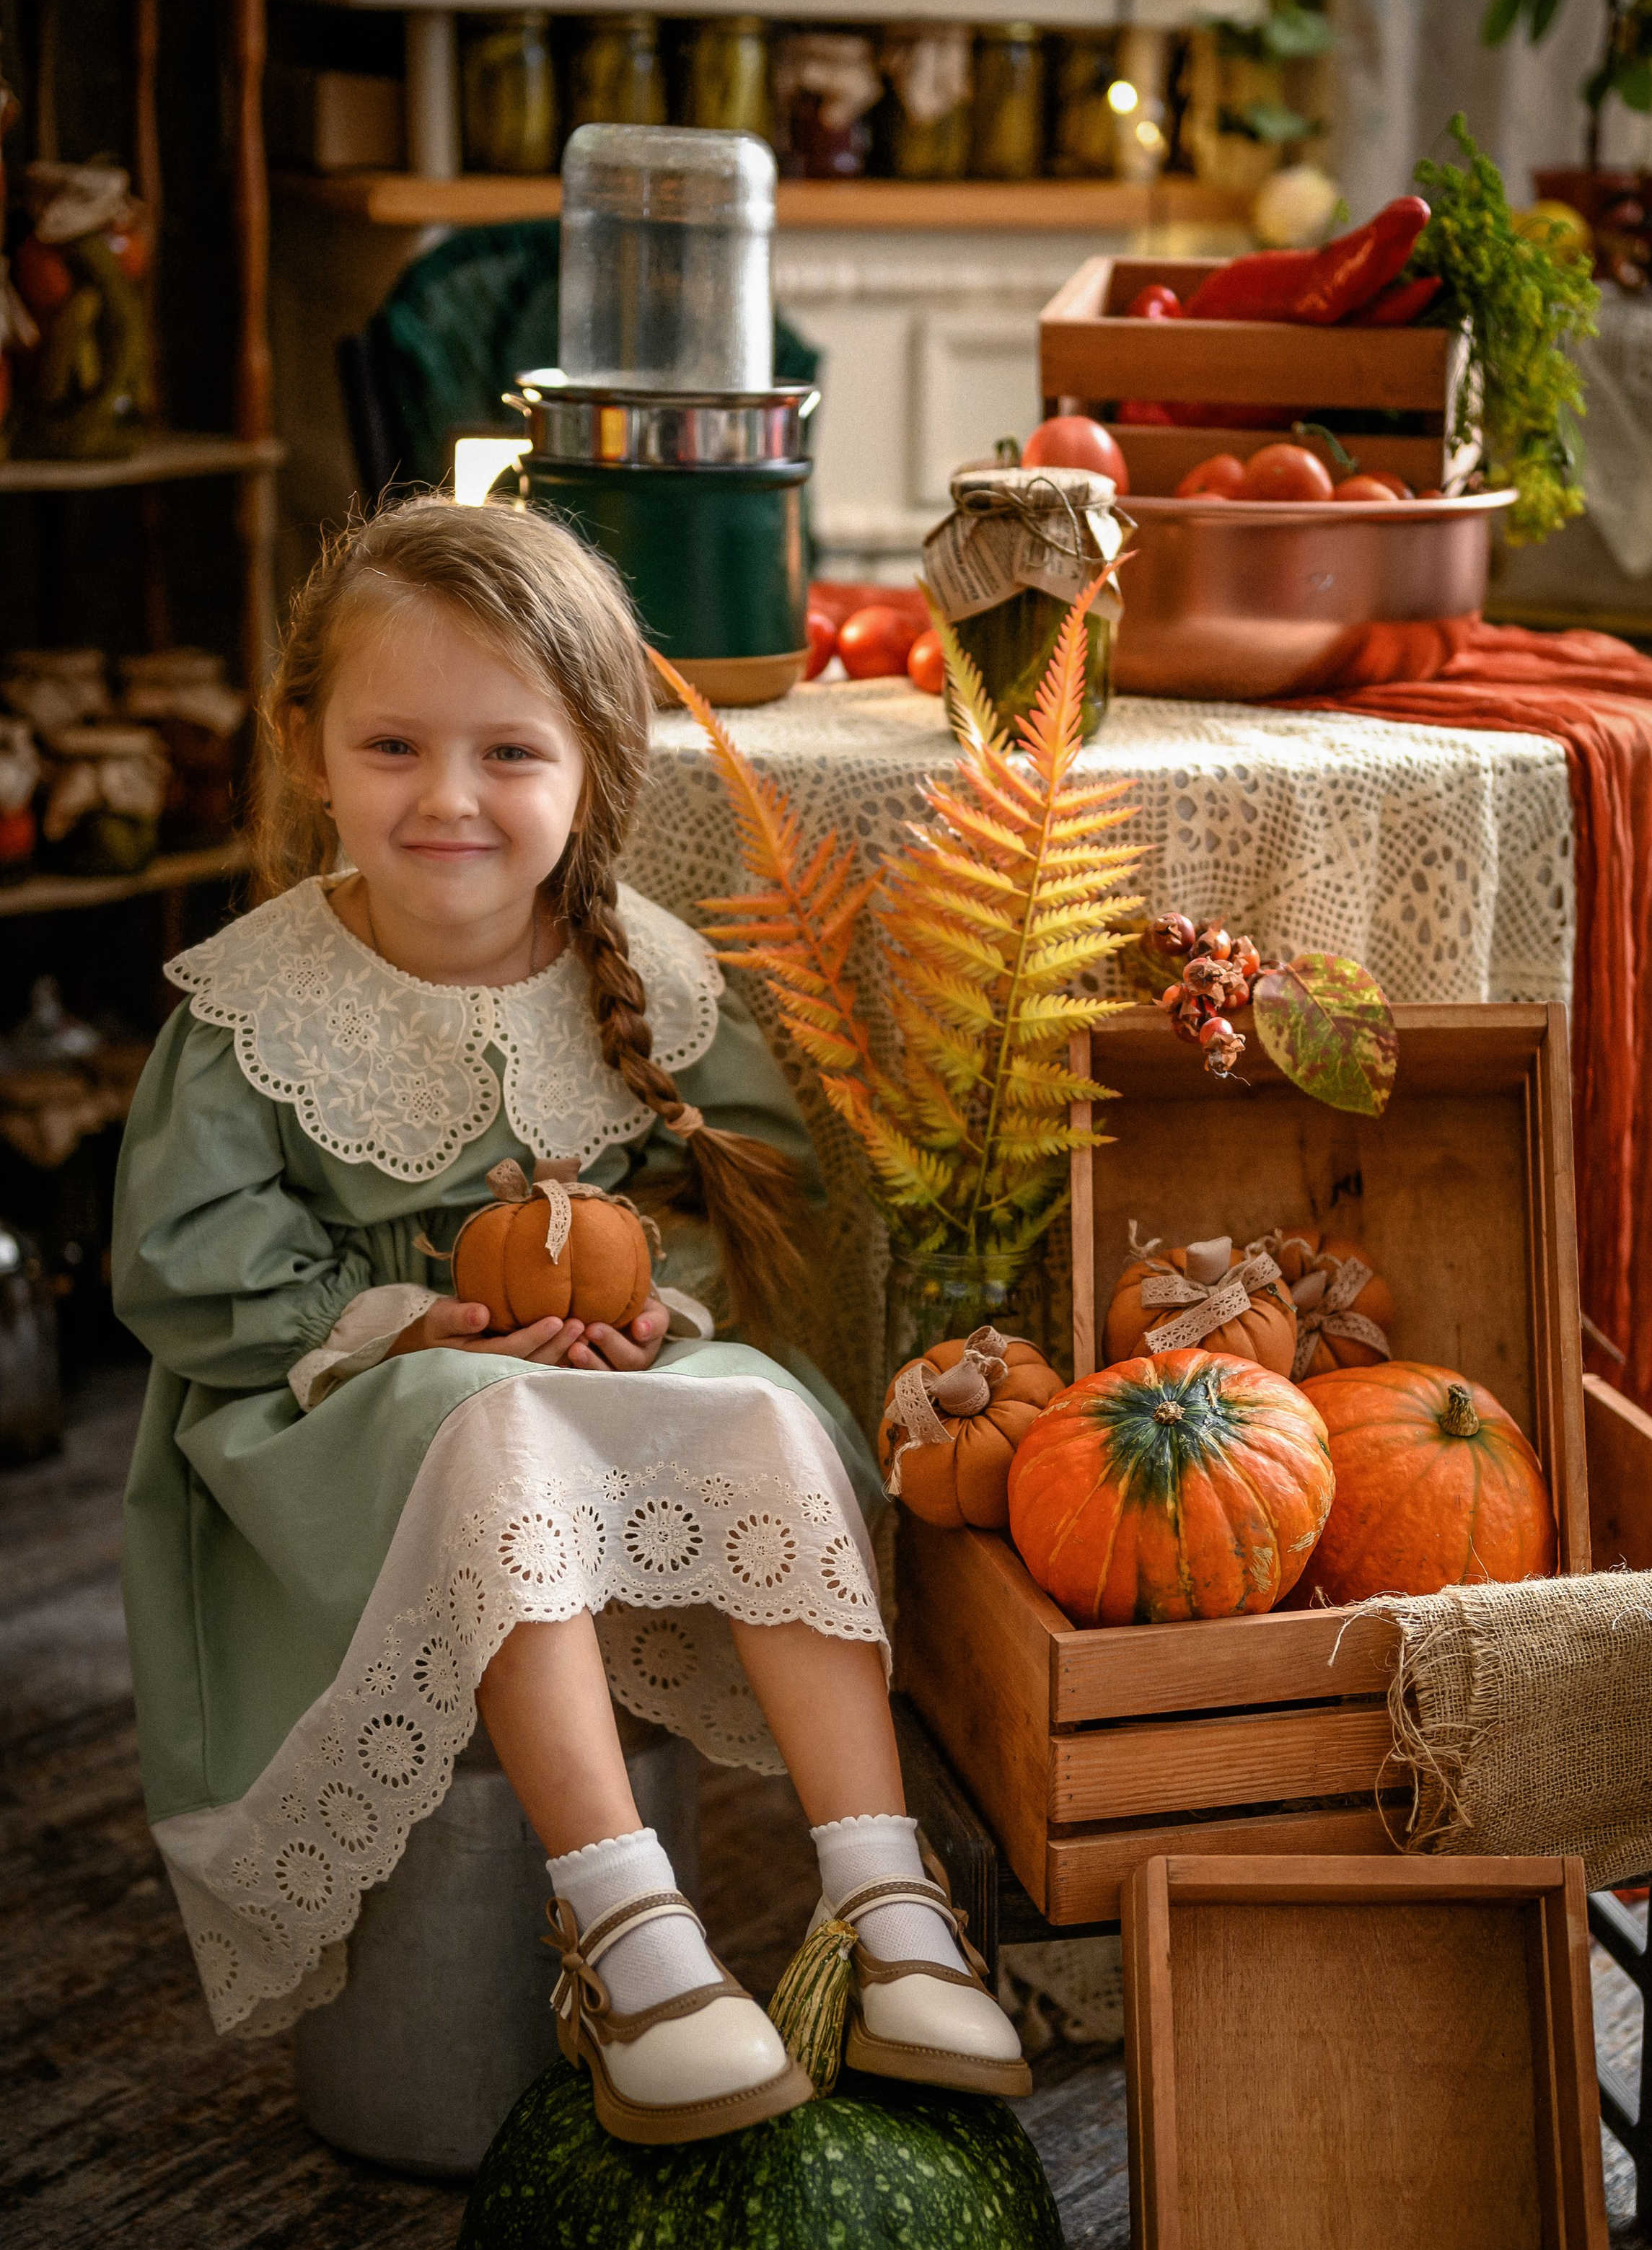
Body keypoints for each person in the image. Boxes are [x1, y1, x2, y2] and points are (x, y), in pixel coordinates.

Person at [113, 494, 1024, 2141]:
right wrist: (409, 1321)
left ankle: (885, 1902)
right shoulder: (257, 999)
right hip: (327, 1417)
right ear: (308, 748)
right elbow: (190, 1263)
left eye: (508, 754)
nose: (447, 798)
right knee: (497, 1429)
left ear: (594, 767)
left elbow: (737, 1204)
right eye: (394, 746)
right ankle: (630, 1929)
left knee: (759, 1412)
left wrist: (658, 1307)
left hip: (599, 1374)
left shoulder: (645, 976)